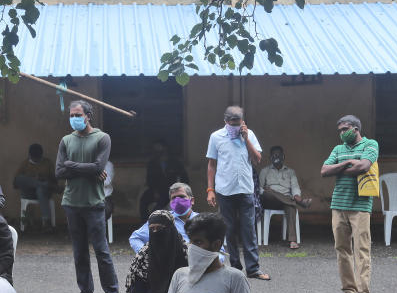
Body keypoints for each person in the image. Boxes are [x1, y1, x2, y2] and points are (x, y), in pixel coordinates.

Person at [56, 100, 121, 293]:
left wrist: (72, 165)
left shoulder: (102, 138)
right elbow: (59, 172)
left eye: (77, 114)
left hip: (94, 204)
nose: (73, 117)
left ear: (88, 116)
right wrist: (90, 170)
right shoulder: (66, 140)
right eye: (71, 114)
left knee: (102, 251)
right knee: (79, 253)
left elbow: (99, 166)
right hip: (71, 203)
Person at [321, 115, 378, 293]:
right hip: (338, 205)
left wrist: (340, 167)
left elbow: (363, 166)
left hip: (361, 206)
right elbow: (324, 170)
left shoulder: (371, 144)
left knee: (362, 251)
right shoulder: (338, 149)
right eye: (339, 130)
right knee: (342, 250)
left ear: (355, 128)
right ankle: (350, 292)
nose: (341, 133)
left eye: (344, 129)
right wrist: (347, 164)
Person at [206, 106, 269, 280]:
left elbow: (257, 159)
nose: (235, 126)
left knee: (249, 230)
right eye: (232, 123)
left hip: (246, 189)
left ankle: (253, 269)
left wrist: (246, 139)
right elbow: (211, 164)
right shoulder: (216, 137)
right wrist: (210, 190)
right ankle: (235, 268)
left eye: (238, 122)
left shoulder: (250, 134)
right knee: (229, 230)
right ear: (225, 121)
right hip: (224, 191)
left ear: (242, 121)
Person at [258, 146, 312, 250]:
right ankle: (298, 202)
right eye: (274, 154)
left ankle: (292, 240)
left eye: (278, 154)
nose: (276, 156)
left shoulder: (290, 172)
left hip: (285, 201)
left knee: (290, 206)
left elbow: (295, 187)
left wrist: (296, 195)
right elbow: (259, 189)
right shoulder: (265, 171)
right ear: (270, 157)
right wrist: (266, 191)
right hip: (270, 200)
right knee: (269, 193)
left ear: (283, 157)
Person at [130, 182, 200, 252]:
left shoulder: (203, 220)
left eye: (181, 196)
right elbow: (135, 238)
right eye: (174, 198)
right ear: (170, 202)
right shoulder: (161, 219)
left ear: (192, 201)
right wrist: (148, 255)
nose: (177, 201)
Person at [139, 140, 189, 221]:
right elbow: (149, 180)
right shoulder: (152, 163)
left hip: (171, 191)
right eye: (156, 150)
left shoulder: (175, 162)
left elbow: (185, 179)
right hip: (156, 189)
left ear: (165, 149)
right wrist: (154, 191)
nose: (159, 152)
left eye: (160, 149)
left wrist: (180, 192)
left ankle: (152, 222)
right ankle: (144, 223)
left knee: (157, 208)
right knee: (143, 200)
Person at [12, 143, 58, 229]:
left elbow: (54, 182)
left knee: (40, 189)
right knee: (20, 178)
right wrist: (32, 180)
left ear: (41, 155)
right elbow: (16, 183)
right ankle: (41, 184)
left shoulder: (48, 163)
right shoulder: (25, 164)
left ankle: (46, 223)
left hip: (44, 193)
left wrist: (43, 178)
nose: (36, 160)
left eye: (38, 158)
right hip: (29, 193)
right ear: (30, 156)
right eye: (34, 158)